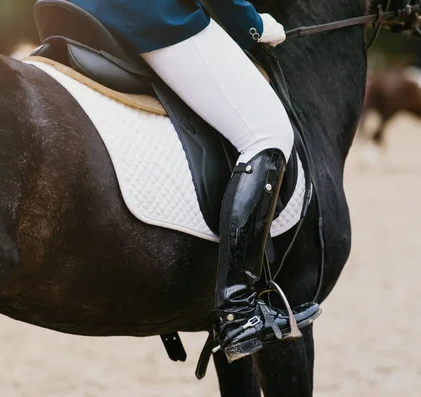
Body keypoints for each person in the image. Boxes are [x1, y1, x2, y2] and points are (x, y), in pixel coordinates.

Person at [68, 0, 321, 362]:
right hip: (152, 14)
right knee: (269, 134)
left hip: (79, 10)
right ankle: (239, 309)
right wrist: (249, 22)